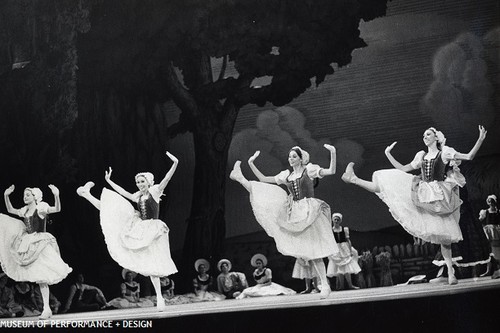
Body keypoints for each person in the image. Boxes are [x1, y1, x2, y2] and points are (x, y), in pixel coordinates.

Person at [341, 125, 487, 285]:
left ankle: (451, 274)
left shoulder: (444, 152)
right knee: (387, 182)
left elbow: (469, 156)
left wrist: (480, 139)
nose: (425, 136)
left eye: (428, 134)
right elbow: (404, 168)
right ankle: (353, 179)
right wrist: (388, 154)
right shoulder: (421, 156)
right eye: (424, 134)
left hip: (439, 194)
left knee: (446, 237)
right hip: (423, 191)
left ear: (436, 138)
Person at [230, 144, 340, 298]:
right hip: (293, 210)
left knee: (315, 252)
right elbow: (263, 179)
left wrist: (333, 152)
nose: (291, 159)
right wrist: (251, 163)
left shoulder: (309, 170)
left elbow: (331, 171)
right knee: (267, 193)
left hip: (309, 210)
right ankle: (240, 177)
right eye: (289, 156)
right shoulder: (286, 176)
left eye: (294, 156)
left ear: (301, 159)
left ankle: (325, 285)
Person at [76, 151, 178, 311]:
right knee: (112, 209)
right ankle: (87, 195)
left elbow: (166, 178)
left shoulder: (155, 191)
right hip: (139, 226)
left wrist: (175, 163)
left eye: (142, 181)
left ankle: (159, 297)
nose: (139, 184)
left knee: (154, 265)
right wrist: (109, 181)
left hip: (152, 228)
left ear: (149, 182)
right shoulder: (137, 196)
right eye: (137, 182)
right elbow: (123, 192)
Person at [1, 185, 72, 319]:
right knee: (40, 278)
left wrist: (56, 195)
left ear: (35, 197)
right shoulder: (25, 210)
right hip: (28, 244)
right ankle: (46, 308)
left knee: (42, 276)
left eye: (28, 195)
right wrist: (6, 195)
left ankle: (46, 308)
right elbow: (10, 209)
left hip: (40, 243)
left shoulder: (41, 208)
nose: (25, 197)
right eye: (24, 195)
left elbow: (57, 209)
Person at [326, 213, 361, 290]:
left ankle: (350, 285)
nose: (336, 221)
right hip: (336, 249)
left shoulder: (344, 229)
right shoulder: (330, 230)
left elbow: (348, 240)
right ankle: (341, 286)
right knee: (339, 269)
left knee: (347, 268)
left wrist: (350, 250)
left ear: (340, 221)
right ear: (332, 220)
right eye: (335, 219)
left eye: (338, 219)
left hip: (344, 249)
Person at [479, 194, 500, 278]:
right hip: (489, 232)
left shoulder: (498, 211)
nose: (490, 202)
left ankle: (497, 269)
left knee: (497, 250)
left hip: (497, 231)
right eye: (489, 201)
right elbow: (480, 220)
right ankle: (489, 270)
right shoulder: (485, 212)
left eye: (492, 201)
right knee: (489, 250)